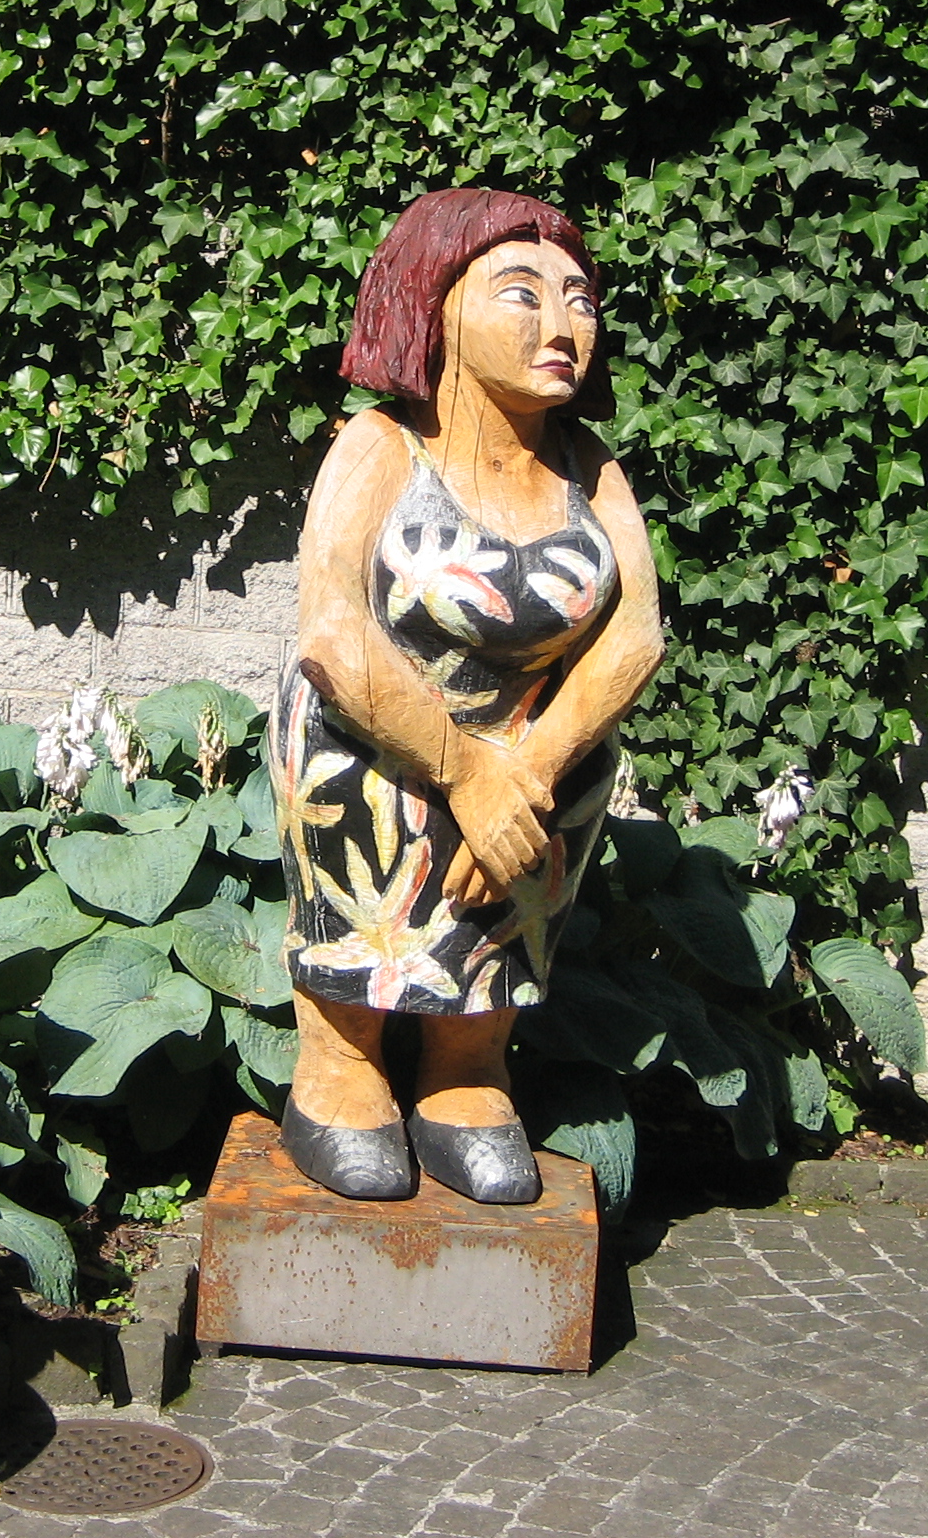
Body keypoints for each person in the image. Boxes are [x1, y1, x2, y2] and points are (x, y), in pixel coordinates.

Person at [273, 187, 664, 1203]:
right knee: (363, 849)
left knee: (508, 914)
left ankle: (467, 1072)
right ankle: (340, 1067)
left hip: (540, 761)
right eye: (523, 295)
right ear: (433, 306)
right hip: (379, 745)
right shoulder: (380, 447)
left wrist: (523, 775)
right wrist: (463, 774)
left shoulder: (590, 466)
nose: (563, 326)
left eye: (580, 300)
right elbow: (332, 634)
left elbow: (635, 637)